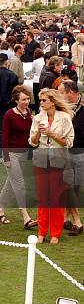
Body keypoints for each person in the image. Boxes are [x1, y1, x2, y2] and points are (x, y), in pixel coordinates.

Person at [29, 88, 74, 245]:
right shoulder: (37, 118)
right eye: (40, 100)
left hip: (58, 161)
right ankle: (42, 232)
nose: (40, 103)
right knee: (43, 198)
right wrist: (38, 135)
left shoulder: (64, 118)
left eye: (44, 100)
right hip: (41, 160)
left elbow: (68, 142)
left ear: (52, 102)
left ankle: (55, 233)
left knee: (56, 198)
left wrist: (51, 134)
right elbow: (32, 142)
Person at [0, 85, 37, 229]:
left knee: (10, 183)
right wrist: (6, 157)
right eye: (23, 99)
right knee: (19, 185)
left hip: (24, 154)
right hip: (11, 153)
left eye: (28, 99)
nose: (27, 101)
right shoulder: (9, 115)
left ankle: (0, 211)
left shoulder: (28, 113)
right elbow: (4, 138)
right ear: (16, 100)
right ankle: (26, 217)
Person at [57, 80, 83, 236]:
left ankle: (73, 220)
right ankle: (72, 220)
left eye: (61, 92)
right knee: (69, 187)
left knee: (74, 187)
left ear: (71, 93)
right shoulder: (62, 110)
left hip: (80, 153)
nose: (59, 95)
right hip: (66, 152)